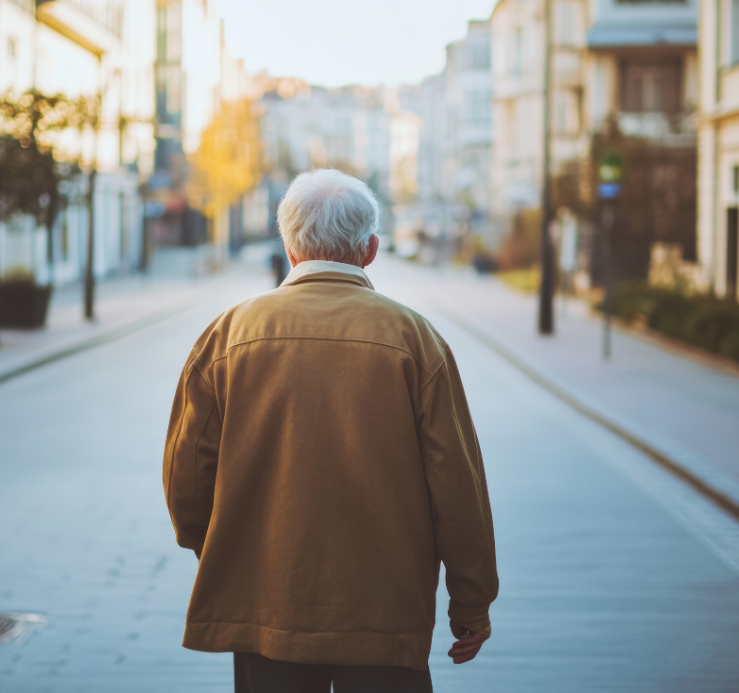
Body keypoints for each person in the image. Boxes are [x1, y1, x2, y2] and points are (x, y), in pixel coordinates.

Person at [163, 169, 499, 693]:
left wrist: (227, 546)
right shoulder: (414, 338)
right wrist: (471, 598)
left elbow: (186, 476)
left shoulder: (230, 333)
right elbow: (457, 484)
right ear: (370, 249)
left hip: (265, 601)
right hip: (385, 611)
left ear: (289, 246)